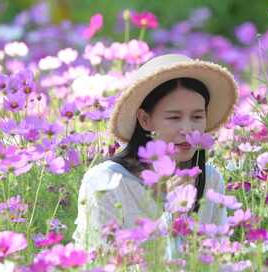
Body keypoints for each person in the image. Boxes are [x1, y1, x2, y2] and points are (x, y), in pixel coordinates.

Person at [72, 54, 239, 259]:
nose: (187, 129)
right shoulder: (105, 182)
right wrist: (170, 217)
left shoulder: (210, 179)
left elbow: (219, 261)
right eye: (174, 117)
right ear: (145, 119)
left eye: (197, 117)